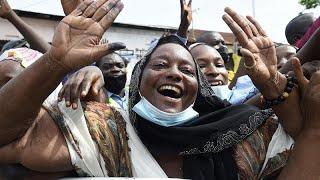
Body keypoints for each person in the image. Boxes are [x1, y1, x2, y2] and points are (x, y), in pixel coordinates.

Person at [189, 43, 258, 105]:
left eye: (219, 65)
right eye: (201, 66)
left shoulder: (248, 97)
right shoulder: (183, 115)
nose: (214, 71)